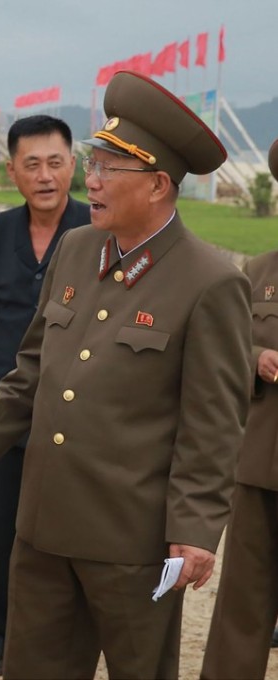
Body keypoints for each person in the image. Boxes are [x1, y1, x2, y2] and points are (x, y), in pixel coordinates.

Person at [0, 70, 253, 679]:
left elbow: (214, 423)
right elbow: (34, 366)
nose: (89, 181)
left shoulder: (209, 282)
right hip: (43, 527)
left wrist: (197, 529)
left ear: (156, 185)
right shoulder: (76, 249)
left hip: (133, 540)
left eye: (106, 170)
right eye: (92, 164)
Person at [0, 115, 90, 677]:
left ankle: (67, 643)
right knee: (3, 530)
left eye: (55, 162)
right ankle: (7, 642)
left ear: (74, 166)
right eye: (31, 164)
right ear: (12, 171)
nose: (44, 175)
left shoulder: (99, 229)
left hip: (79, 409)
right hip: (7, 409)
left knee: (72, 529)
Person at [199, 139, 278, 680]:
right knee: (243, 604)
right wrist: (256, 357)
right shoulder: (259, 270)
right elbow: (226, 349)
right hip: (260, 465)